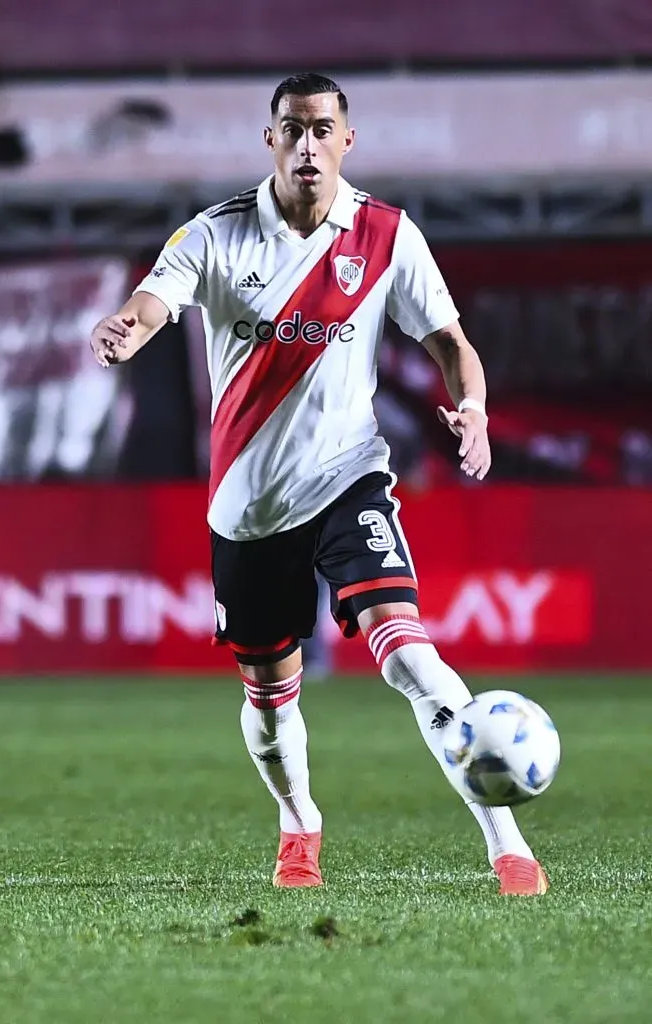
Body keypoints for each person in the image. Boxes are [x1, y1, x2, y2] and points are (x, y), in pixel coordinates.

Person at [90, 73, 548, 896]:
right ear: (269, 139)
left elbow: (449, 339)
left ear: (347, 138)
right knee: (268, 700)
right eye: (292, 130)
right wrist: (129, 326)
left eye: (321, 129)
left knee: (408, 654)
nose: (307, 145)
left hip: (347, 478)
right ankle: (299, 820)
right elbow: (155, 299)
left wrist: (472, 408)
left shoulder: (384, 234)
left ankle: (508, 848)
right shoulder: (215, 234)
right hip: (249, 506)